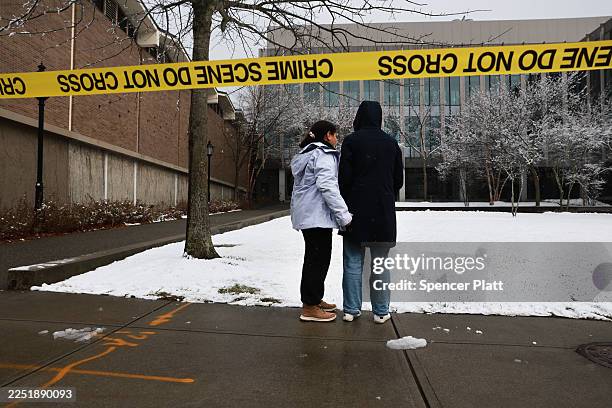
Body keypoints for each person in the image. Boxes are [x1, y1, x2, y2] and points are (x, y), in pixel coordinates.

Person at [339, 101, 404, 324]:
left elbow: (343, 179)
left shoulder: (350, 141)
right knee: (380, 263)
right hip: (382, 211)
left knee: (352, 261)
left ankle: (351, 309)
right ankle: (381, 311)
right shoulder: (391, 143)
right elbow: (398, 181)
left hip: (355, 210)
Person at [291, 120, 353, 322]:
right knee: (317, 260)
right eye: (335, 135)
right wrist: (344, 216)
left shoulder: (307, 154)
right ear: (327, 135)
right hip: (316, 216)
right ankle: (310, 307)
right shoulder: (323, 154)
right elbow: (328, 187)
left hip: (308, 215)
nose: (337, 139)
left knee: (314, 259)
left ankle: (314, 299)